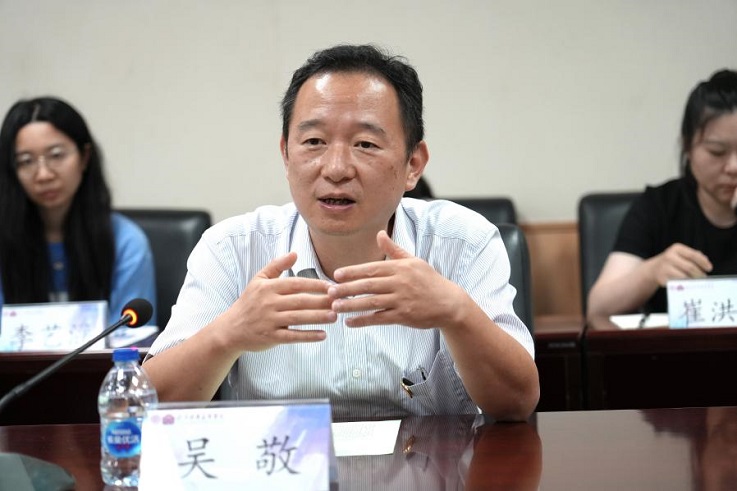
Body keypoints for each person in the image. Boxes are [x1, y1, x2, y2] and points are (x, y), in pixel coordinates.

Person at [144, 44, 539, 420]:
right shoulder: (231, 249)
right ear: (286, 155)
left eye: (365, 144)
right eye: (314, 141)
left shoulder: (463, 242)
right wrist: (227, 334)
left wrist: (457, 313)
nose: (335, 169)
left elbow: (517, 403)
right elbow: (147, 404)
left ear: (413, 165)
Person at [588, 69, 737, 318]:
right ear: (688, 146)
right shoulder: (658, 206)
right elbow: (597, 310)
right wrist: (651, 272)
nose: (733, 167)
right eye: (717, 152)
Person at [0, 96, 157, 323]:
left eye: (56, 155)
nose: (43, 174)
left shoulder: (126, 242)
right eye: (26, 161)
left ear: (84, 157)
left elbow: (131, 336)